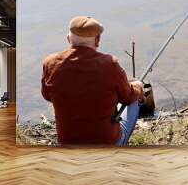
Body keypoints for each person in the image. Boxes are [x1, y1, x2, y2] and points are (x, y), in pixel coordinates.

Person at [41, 16, 144, 146]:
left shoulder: (50, 63)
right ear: (97, 41)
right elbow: (128, 98)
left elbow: (47, 95)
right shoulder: (110, 64)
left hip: (66, 143)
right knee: (134, 98)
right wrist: (138, 87)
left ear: (68, 39)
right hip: (108, 143)